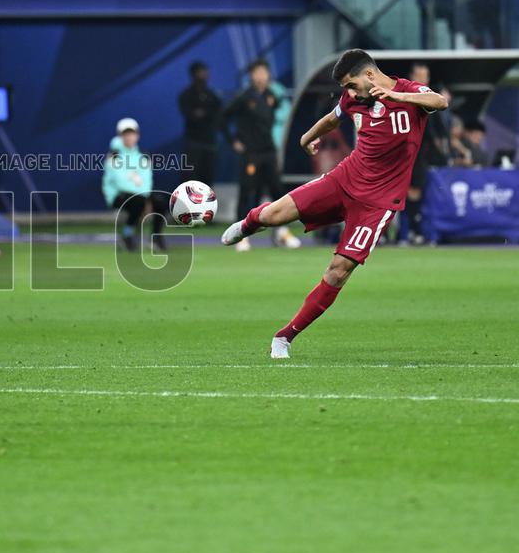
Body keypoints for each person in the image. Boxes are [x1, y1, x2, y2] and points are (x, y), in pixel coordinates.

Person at [222, 49, 448, 359]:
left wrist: (400, 98)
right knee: (274, 214)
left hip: (378, 203)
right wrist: (307, 137)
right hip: (344, 179)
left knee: (338, 271)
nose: (349, 93)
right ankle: (247, 225)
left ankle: (284, 337)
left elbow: (439, 101)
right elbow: (332, 119)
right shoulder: (353, 99)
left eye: (351, 85)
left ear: (369, 75)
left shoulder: (410, 91)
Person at [223, 59, 299, 251]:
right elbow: (222, 117)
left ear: (268, 75)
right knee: (247, 192)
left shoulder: (273, 96)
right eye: (257, 73)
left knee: (277, 191)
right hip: (250, 154)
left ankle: (281, 232)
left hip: (269, 152)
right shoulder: (244, 97)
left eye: (263, 72)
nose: (260, 76)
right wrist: (234, 140)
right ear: (251, 76)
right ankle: (240, 237)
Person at [103, 118, 166, 251]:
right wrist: (143, 197)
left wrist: (146, 197)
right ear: (120, 136)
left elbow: (147, 179)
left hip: (141, 195)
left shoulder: (142, 156)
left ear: (137, 135)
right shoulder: (113, 156)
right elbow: (120, 182)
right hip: (117, 196)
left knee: (161, 202)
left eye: (132, 133)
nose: (129, 137)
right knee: (137, 202)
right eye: (125, 134)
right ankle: (127, 236)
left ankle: (156, 238)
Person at [402, 64, 448, 245]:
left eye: (425, 76)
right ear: (411, 76)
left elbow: (438, 131)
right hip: (401, 152)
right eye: (419, 75)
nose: (423, 79)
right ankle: (393, 233)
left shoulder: (433, 100)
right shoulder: (402, 97)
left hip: (420, 154)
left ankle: (414, 231)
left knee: (415, 191)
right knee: (395, 192)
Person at [177, 61, 221, 186]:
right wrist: (205, 113)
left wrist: (203, 113)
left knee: (208, 177)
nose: (204, 75)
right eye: (200, 73)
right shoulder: (185, 95)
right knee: (189, 179)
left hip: (209, 144)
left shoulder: (213, 96)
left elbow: (216, 114)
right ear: (193, 75)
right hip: (192, 144)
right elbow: (191, 115)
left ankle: (206, 205)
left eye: (205, 72)